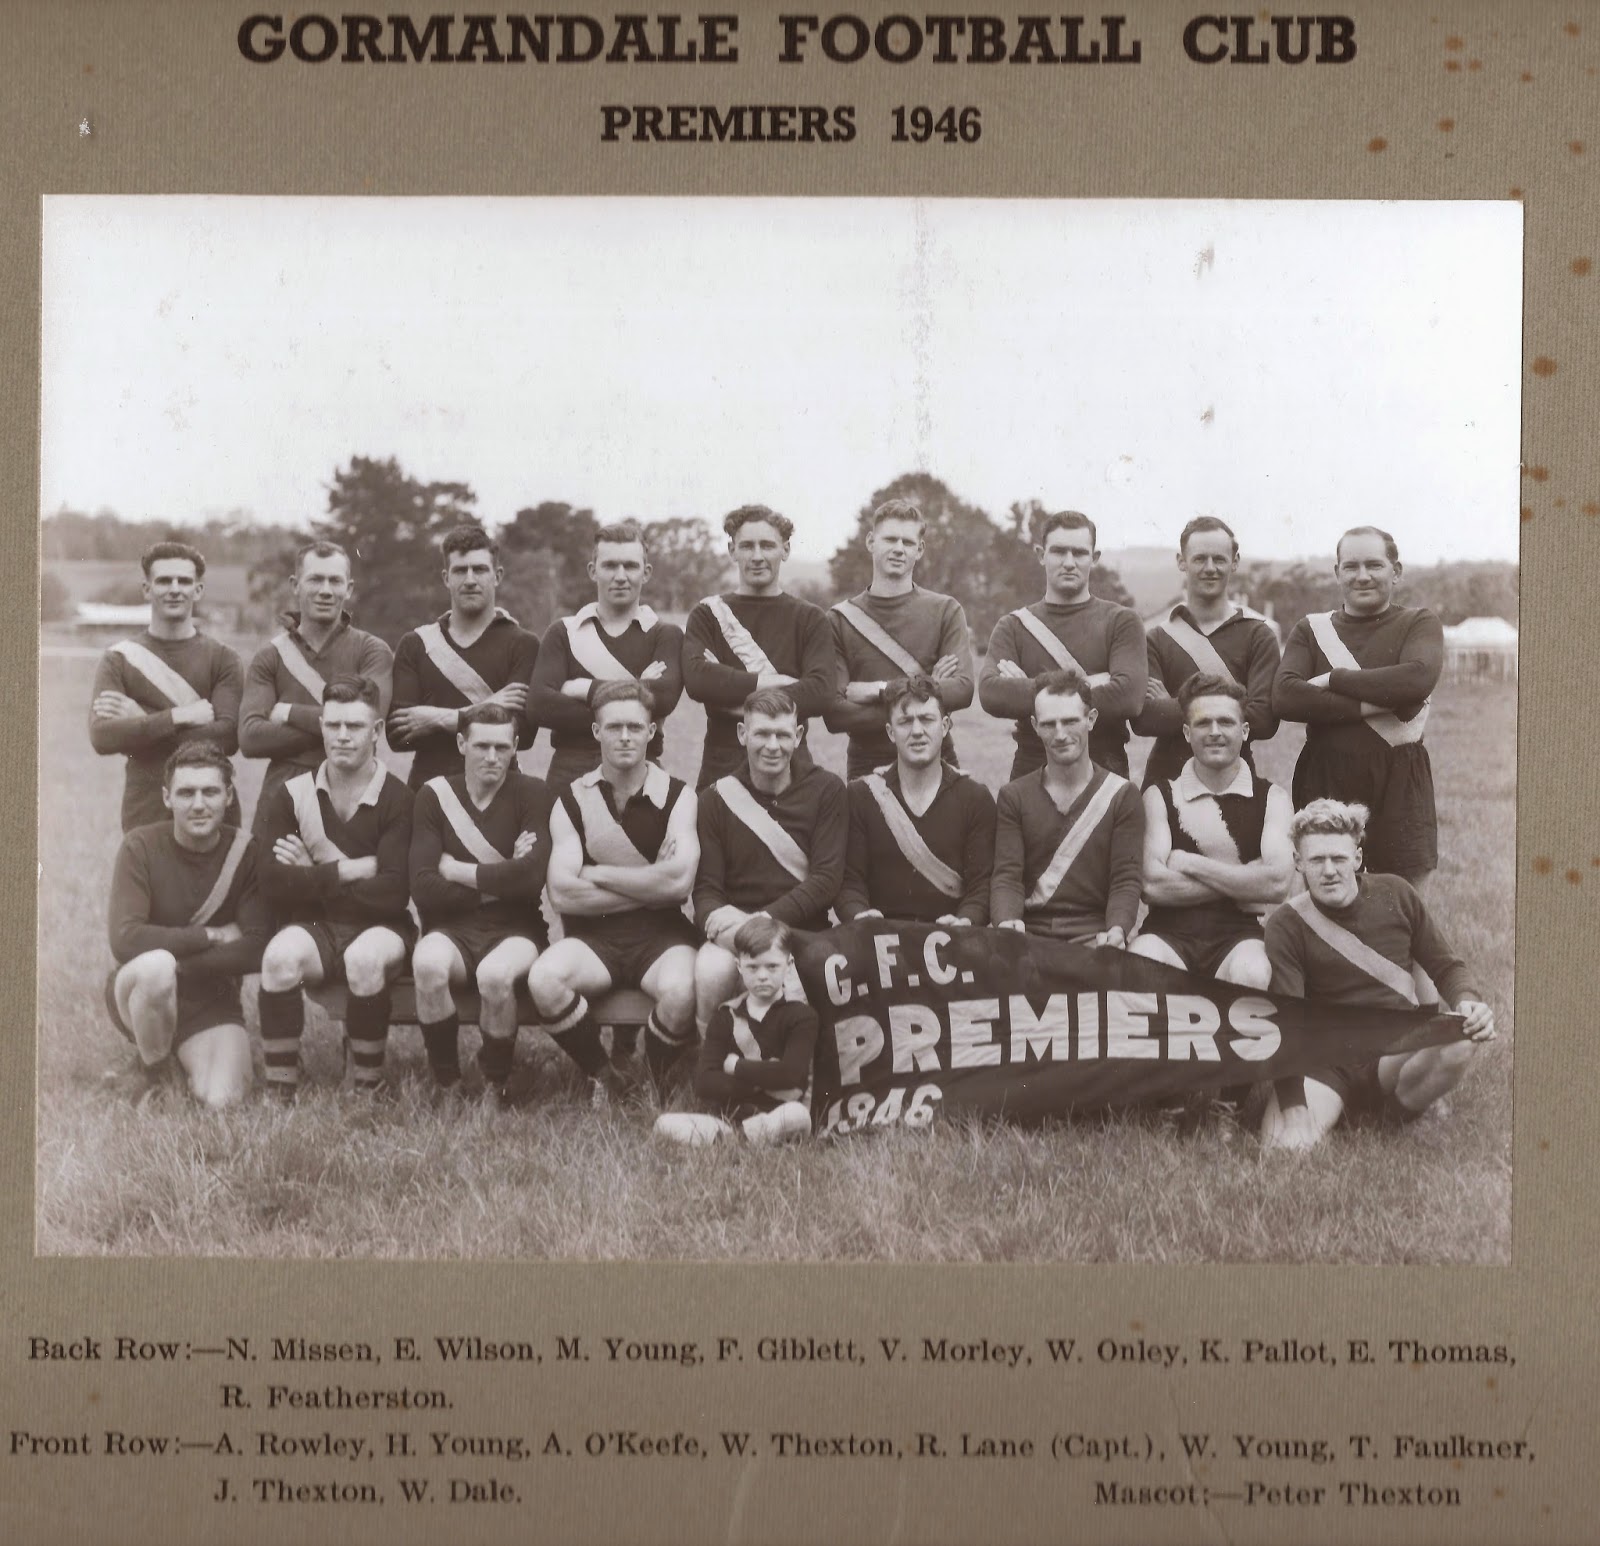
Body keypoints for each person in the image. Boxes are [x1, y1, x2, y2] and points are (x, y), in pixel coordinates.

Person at [1259, 799, 1495, 1151]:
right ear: (1298, 862)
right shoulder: (1286, 924)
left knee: (1462, 1035)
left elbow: (1447, 967)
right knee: (1283, 1149)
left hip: (1395, 1047)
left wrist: (1468, 1002)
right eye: (1316, 860)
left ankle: (1391, 1117)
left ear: (1357, 858)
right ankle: (1347, 1109)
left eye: (1339, 858)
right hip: (1326, 1060)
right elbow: (1287, 1023)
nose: (1329, 870)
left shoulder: (1396, 893)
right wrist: (1294, 1109)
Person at [528, 681, 700, 1104]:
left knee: (681, 990)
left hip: (662, 937)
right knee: (544, 979)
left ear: (651, 732)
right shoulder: (571, 798)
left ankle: (654, 1081)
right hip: (595, 938)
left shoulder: (678, 796)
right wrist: (653, 884)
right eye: (614, 727)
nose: (625, 737)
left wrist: (598, 873)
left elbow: (679, 885)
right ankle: (606, 1077)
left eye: (635, 727)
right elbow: (563, 894)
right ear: (596, 732)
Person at [255, 676, 414, 1098]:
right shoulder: (291, 794)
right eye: (333, 725)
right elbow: (272, 883)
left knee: (365, 959)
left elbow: (393, 893)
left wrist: (311, 872)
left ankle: (367, 1088)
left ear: (376, 731)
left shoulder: (399, 798)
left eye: (355, 726)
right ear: (321, 725)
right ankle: (280, 1093)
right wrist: (347, 870)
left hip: (383, 927)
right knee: (278, 958)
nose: (342, 736)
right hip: (317, 925)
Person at [1272, 525, 1442, 889]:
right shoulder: (1311, 629)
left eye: (1374, 565)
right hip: (1326, 776)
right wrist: (1376, 705)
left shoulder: (1418, 622)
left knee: (1402, 902)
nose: (1362, 576)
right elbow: (1285, 696)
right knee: (1327, 896)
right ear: (1337, 573)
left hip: (1400, 777)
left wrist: (1334, 679)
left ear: (1396, 571)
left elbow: (1416, 681)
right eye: (1351, 566)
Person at [103, 743, 268, 1108]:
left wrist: (182, 965)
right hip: (142, 988)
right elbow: (125, 938)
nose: (198, 804)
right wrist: (209, 935)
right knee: (156, 967)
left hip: (211, 996)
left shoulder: (247, 852)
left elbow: (256, 946)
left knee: (224, 1100)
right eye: (186, 793)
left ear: (228, 796)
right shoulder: (139, 846)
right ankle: (156, 1073)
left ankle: (179, 1057)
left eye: (210, 791)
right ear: (167, 797)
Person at [409, 703, 553, 1098]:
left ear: (515, 746)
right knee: (428, 965)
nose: (492, 757)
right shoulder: (434, 795)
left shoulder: (533, 793)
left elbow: (531, 881)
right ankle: (448, 1084)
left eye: (502, 747)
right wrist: (504, 873)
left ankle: (495, 1085)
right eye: (481, 746)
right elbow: (422, 886)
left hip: (517, 929)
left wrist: (457, 871)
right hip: (450, 928)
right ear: (461, 744)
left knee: (495, 975)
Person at [693, 687, 847, 1034]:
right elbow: (706, 891)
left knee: (804, 983)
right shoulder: (715, 798)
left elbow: (825, 880)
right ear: (742, 734)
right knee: (710, 971)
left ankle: (795, 1061)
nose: (773, 746)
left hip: (802, 930)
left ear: (799, 736)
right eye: (762, 733)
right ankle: (710, 1053)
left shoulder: (827, 789)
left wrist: (761, 923)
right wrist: (727, 927)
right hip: (734, 932)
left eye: (782, 735)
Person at [1129, 674, 1293, 989]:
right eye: (1203, 723)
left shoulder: (1272, 797)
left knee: (1252, 973)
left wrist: (1190, 863)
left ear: (1245, 731)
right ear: (1187, 733)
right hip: (1166, 933)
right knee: (1141, 965)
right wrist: (1248, 880)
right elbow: (1151, 886)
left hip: (1239, 935)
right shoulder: (1159, 794)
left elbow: (1276, 885)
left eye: (1226, 722)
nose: (1215, 732)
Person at [979, 510, 1146, 781]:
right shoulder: (1013, 626)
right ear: (1041, 554)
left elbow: (1128, 698)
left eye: (1079, 553)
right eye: (1058, 552)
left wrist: (1030, 688)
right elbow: (991, 693)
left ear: (1094, 558)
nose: (1069, 563)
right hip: (1032, 771)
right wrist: (1091, 684)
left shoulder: (1121, 621)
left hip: (1105, 771)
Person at [88, 540, 243, 831]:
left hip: (213, 811)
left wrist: (143, 722)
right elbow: (102, 736)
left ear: (198, 589)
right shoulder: (119, 659)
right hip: (146, 808)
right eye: (163, 581)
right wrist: (177, 717)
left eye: (184, 581)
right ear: (147, 589)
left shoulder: (224, 658)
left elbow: (227, 738)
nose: (174, 589)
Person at [681, 504, 837, 790]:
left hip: (791, 770)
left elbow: (821, 692)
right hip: (722, 770)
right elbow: (698, 680)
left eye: (767, 545)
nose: (756, 556)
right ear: (732, 550)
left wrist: (729, 697)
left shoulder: (810, 618)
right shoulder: (707, 615)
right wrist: (777, 682)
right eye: (747, 546)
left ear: (785, 550)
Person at [238, 539, 394, 822]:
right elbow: (250, 738)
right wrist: (346, 727)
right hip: (282, 795)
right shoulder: (270, 656)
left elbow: (370, 723)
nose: (325, 590)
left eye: (335, 581)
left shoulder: (372, 651)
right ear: (295, 585)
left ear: (349, 588)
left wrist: (289, 713)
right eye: (315, 580)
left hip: (353, 794)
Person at [526, 519, 684, 789]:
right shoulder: (563, 632)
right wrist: (637, 691)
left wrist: (583, 688)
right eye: (610, 565)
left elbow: (664, 698)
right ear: (593, 570)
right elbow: (540, 706)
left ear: (646, 573)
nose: (620, 576)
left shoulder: (665, 635)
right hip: (570, 771)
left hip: (641, 771)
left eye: (630, 566)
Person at [822, 497, 973, 778]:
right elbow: (835, 714)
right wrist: (929, 692)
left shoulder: (945, 609)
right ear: (871, 541)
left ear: (920, 549)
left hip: (936, 760)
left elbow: (962, 690)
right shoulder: (839, 619)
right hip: (867, 763)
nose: (899, 549)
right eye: (890, 539)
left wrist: (881, 690)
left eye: (908, 542)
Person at [991, 670, 1143, 944]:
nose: (1060, 734)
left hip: (1095, 936)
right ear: (1035, 726)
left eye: (1071, 721)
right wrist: (1006, 922)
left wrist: (1117, 930)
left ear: (1091, 719)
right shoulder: (1014, 796)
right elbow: (1007, 876)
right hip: (1030, 936)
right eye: (1049, 724)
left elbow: (1125, 879)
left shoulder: (1122, 795)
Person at [389, 523, 540, 789]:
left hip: (500, 792)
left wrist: (436, 719)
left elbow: (523, 734)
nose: (470, 580)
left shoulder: (524, 644)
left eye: (479, 569)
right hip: (430, 793)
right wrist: (487, 709)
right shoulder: (416, 644)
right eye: (460, 570)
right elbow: (399, 735)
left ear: (497, 575)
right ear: (446, 578)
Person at [836, 674, 995, 927]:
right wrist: (859, 916)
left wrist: (966, 920)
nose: (917, 731)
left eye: (927, 719)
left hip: (953, 938)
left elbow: (982, 885)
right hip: (879, 937)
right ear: (890, 732)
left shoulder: (975, 798)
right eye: (905, 721)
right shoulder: (861, 796)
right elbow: (849, 880)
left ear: (945, 726)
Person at [1134, 516, 1281, 789]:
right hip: (1168, 780)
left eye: (1219, 559)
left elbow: (1263, 720)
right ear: (1182, 561)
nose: (1210, 568)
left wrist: (1174, 704)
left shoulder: (1258, 635)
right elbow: (1144, 719)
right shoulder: (1156, 638)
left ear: (1235, 562)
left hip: (1234, 781)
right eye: (1200, 559)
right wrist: (1234, 709)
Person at [654, 916, 816, 1147]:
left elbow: (792, 1074)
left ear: (789, 965)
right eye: (753, 967)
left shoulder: (801, 1016)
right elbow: (704, 1082)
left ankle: (734, 1142)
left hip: (779, 1115)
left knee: (797, 1115)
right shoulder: (726, 1015)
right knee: (663, 1124)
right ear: (739, 966)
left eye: (772, 966)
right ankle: (743, 1139)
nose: (762, 975)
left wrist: (736, 1067)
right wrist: (766, 1078)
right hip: (730, 1120)